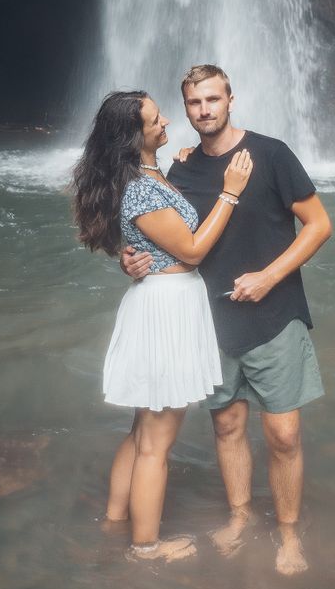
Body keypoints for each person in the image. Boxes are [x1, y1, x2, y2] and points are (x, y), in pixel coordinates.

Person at [121, 63, 333, 576]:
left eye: (213, 100)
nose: (204, 110)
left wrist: (267, 277)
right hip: (209, 321)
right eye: (194, 103)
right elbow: (163, 234)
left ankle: (288, 535)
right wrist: (130, 261)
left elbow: (320, 225)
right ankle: (240, 520)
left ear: (231, 99)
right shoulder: (182, 168)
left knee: (283, 434)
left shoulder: (271, 154)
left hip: (274, 313)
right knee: (228, 424)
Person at [73, 88, 252, 561]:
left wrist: (188, 164)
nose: (167, 121)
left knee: (140, 432)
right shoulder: (139, 186)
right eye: (155, 120)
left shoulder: (152, 174)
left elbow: (153, 239)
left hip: (164, 300)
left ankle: (114, 523)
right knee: (157, 442)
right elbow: (192, 250)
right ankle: (145, 548)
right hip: (165, 307)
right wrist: (230, 193)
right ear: (134, 137)